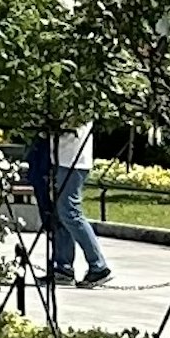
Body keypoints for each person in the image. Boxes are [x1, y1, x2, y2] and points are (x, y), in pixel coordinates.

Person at [32, 115, 111, 289]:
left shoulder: (81, 104)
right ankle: (63, 267)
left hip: (72, 161)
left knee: (70, 212)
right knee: (60, 214)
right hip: (63, 159)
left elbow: (68, 127)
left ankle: (98, 265)